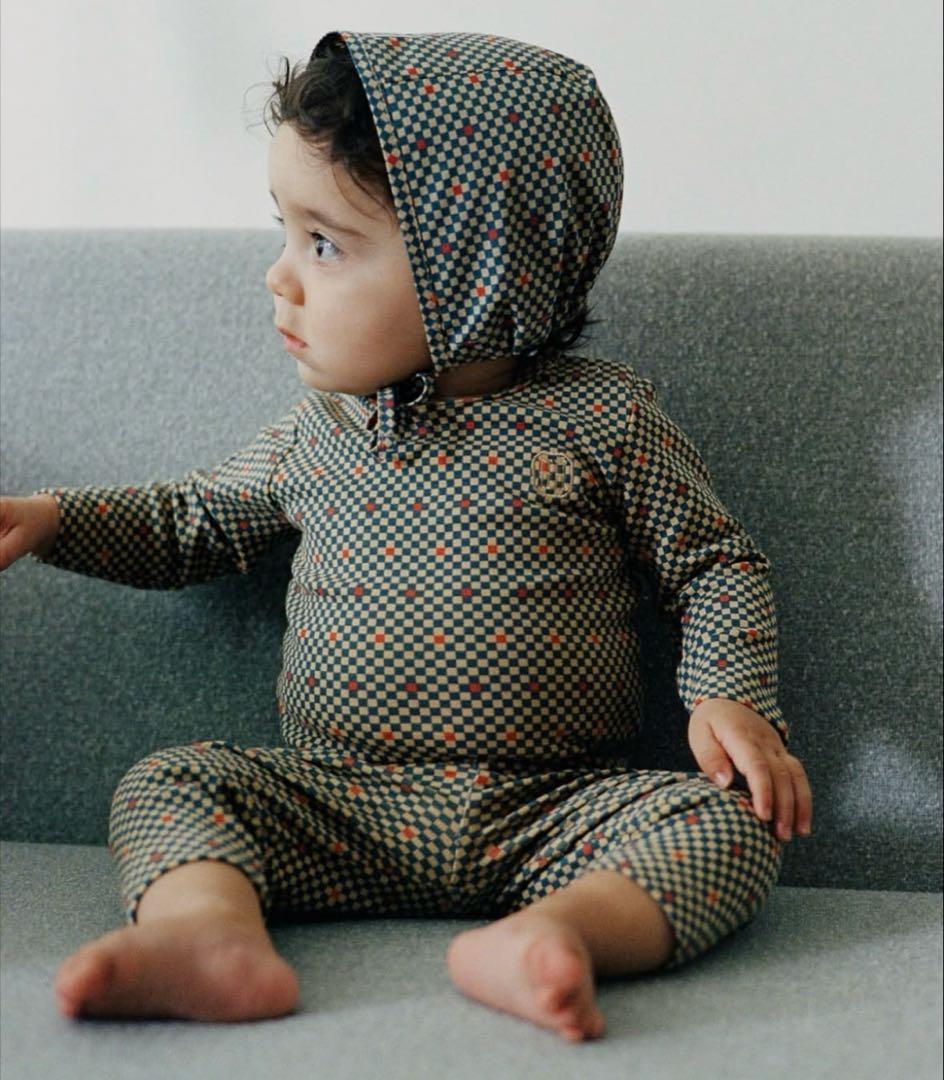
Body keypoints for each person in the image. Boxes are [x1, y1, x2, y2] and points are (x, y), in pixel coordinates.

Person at [0, 30, 812, 1043]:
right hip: (335, 807)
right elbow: (189, 521)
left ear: (472, 270)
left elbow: (711, 562)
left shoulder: (602, 420)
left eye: (324, 244)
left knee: (728, 822)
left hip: (555, 812)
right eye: (285, 232)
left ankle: (558, 935)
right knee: (169, 780)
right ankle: (207, 936)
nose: (279, 278)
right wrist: (53, 519)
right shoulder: (317, 434)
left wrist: (729, 693)